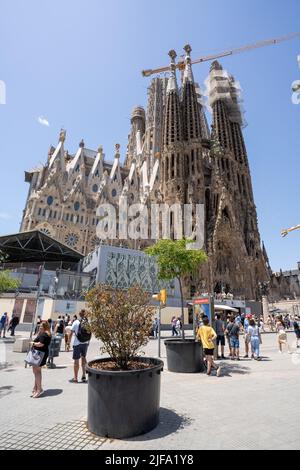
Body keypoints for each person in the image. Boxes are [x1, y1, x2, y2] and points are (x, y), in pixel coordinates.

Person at [30, 321, 52, 398]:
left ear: (45, 327)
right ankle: (36, 388)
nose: (39, 327)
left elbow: (40, 344)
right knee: (36, 371)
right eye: (39, 326)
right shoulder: (46, 334)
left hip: (39, 354)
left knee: (37, 372)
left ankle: (39, 389)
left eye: (41, 326)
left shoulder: (44, 334)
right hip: (40, 354)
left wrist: (32, 343)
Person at [69, 310, 91, 383]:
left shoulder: (76, 322)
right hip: (85, 343)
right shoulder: (87, 323)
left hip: (77, 344)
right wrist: (88, 343)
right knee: (83, 359)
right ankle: (84, 376)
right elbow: (89, 334)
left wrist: (68, 342)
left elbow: (71, 333)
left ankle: (75, 378)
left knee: (76, 361)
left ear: (79, 314)